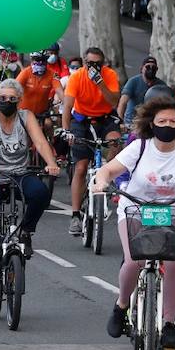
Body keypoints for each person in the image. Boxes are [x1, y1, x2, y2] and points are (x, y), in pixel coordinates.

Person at [91, 95, 175, 350]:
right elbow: (109, 170)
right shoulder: (140, 147)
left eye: (172, 121)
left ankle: (169, 324)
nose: (167, 125)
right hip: (135, 209)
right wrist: (102, 181)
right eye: (162, 121)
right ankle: (122, 305)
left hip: (171, 212)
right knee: (134, 259)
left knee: (174, 262)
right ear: (151, 123)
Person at [0, 79, 62, 305]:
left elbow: (40, 143)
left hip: (20, 173)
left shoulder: (25, 117)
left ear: (19, 101)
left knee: (40, 193)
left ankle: (26, 232)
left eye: (12, 99)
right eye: (2, 98)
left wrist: (51, 164)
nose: (6, 102)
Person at [60, 46, 123, 237]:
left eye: (97, 64)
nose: (93, 67)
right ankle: (75, 215)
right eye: (90, 64)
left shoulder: (109, 75)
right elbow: (67, 106)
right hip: (81, 120)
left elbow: (114, 102)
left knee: (116, 142)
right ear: (84, 63)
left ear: (102, 65)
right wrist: (66, 130)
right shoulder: (77, 77)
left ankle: (106, 174)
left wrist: (100, 83)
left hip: (105, 119)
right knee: (80, 167)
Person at [117, 55, 166, 124]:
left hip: (152, 123)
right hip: (132, 122)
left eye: (153, 68)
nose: (151, 70)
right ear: (142, 68)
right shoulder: (133, 81)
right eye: (148, 67)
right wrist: (120, 122)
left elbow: (167, 104)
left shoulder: (161, 85)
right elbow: (123, 102)